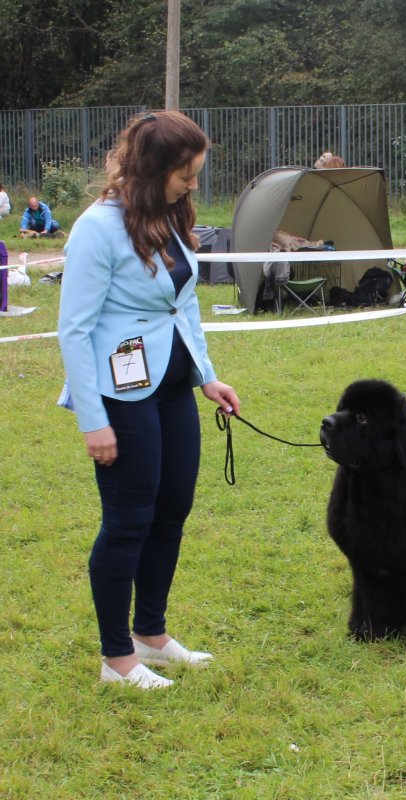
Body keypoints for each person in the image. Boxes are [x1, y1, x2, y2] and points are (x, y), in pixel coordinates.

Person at [58, 110, 240, 690]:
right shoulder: (97, 227)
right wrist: (93, 422)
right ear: (152, 168)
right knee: (127, 523)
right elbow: (74, 331)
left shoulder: (168, 214)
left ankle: (150, 636)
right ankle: (116, 658)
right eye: (185, 175)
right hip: (119, 396)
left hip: (172, 387)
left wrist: (207, 377)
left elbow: (183, 304)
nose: (192, 184)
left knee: (171, 511)